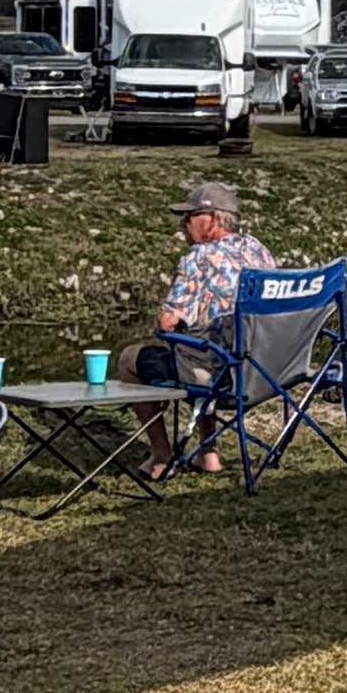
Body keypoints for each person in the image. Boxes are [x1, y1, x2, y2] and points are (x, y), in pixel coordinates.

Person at [134, 183, 275, 476]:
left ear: (211, 219)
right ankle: (207, 453)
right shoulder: (257, 250)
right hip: (266, 373)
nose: (183, 225)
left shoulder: (198, 257)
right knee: (204, 340)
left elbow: (166, 323)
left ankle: (161, 456)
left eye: (189, 216)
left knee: (131, 360)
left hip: (220, 379)